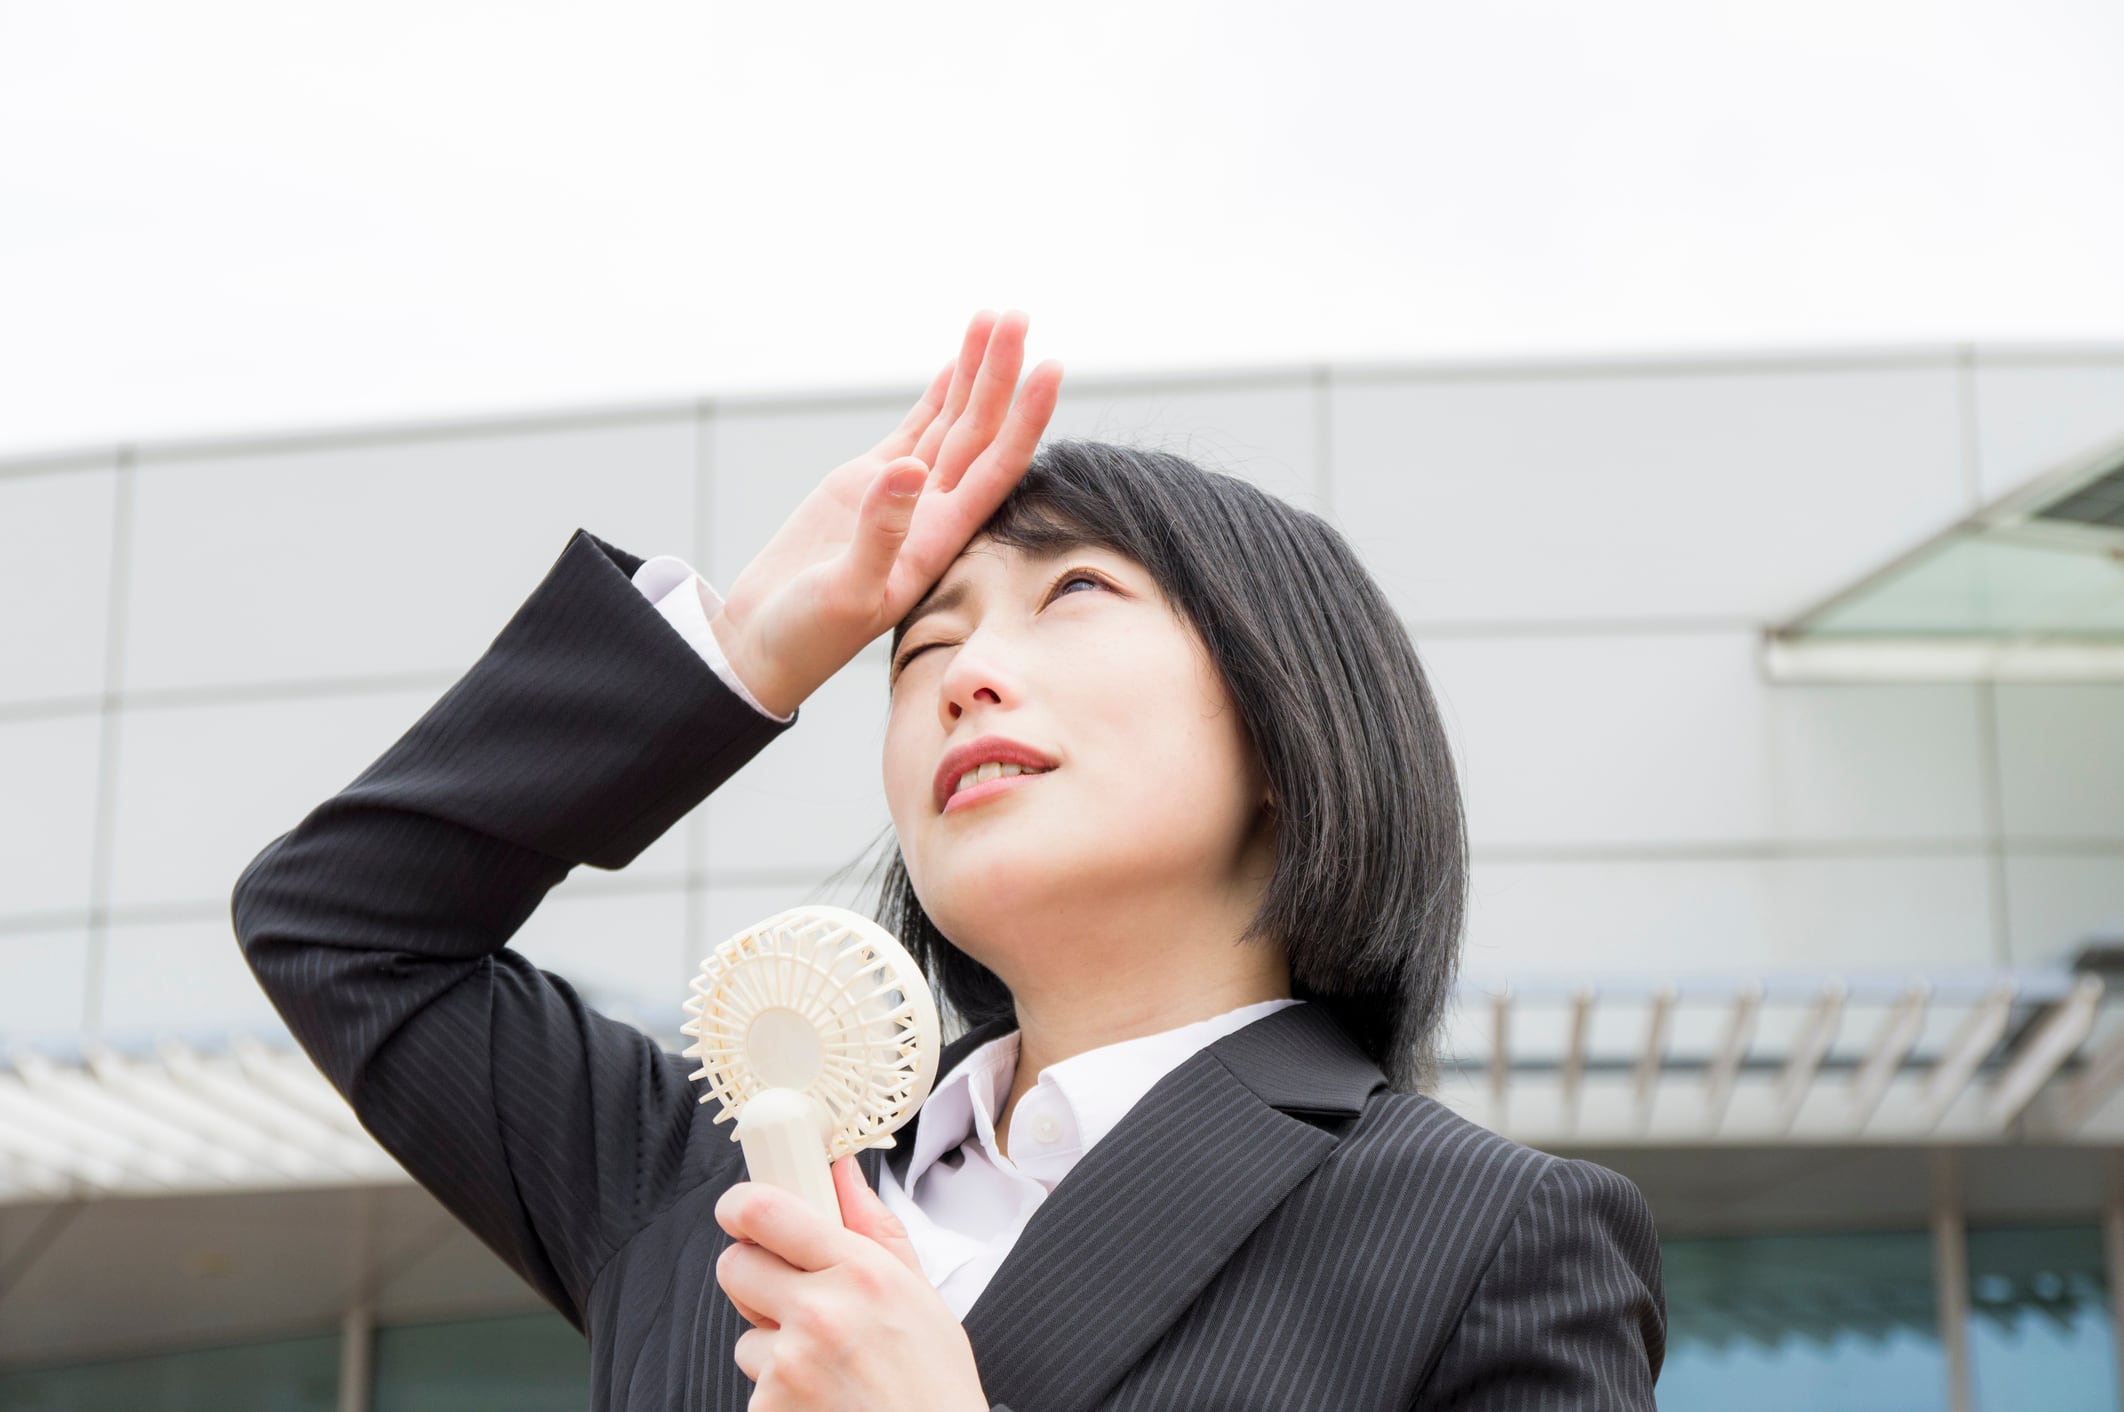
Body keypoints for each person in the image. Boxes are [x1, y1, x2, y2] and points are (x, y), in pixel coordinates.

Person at [232, 310, 1666, 1410]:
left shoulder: (1486, 1239)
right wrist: (744, 650)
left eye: (1076, 592)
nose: (967, 671)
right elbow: (346, 926)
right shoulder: (705, 1184)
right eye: (921, 645)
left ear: (1293, 730)